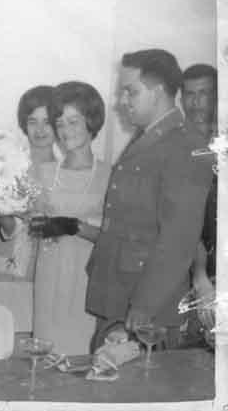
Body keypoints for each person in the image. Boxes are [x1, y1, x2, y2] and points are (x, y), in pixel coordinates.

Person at [85, 49, 214, 351]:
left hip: (146, 305)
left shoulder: (186, 145)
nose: (122, 101)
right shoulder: (150, 137)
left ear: (157, 92)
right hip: (120, 290)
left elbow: (178, 239)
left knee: (137, 377)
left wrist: (145, 304)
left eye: (131, 91)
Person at [28, 81, 111, 355]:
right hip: (49, 280)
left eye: (73, 122)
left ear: (91, 122)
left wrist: (75, 227)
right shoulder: (43, 173)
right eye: (60, 123)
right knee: (47, 357)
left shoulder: (110, 175)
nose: (65, 131)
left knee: (82, 358)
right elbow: (31, 225)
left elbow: (115, 239)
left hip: (87, 282)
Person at [0, 86, 58, 330]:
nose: (40, 130)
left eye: (47, 122)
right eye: (32, 121)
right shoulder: (10, 167)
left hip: (42, 271)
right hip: (3, 267)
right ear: (24, 124)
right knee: (0, 332)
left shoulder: (64, 173)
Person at [181, 64, 218, 346]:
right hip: (185, 270)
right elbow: (182, 215)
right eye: (190, 94)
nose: (196, 102)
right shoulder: (174, 145)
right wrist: (200, 274)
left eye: (204, 93)